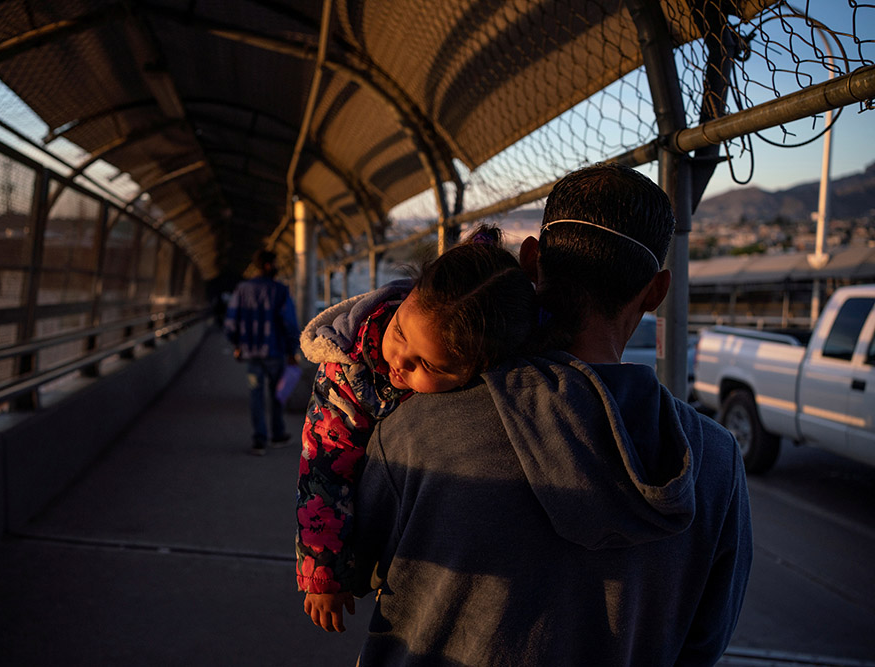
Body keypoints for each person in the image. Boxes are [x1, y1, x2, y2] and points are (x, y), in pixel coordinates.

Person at [350, 163, 753, 665]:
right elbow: (704, 643)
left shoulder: (419, 426)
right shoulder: (713, 464)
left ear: (531, 261)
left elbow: (357, 567)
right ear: (655, 292)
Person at [295, 226, 537, 633]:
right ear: (407, 295)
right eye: (401, 333)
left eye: (430, 366)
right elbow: (322, 469)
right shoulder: (346, 372)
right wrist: (323, 572)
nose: (401, 362)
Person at [224, 249, 300, 456]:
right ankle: (277, 434)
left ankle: (259, 440)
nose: (276, 267)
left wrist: (237, 344)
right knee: (277, 394)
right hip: (275, 353)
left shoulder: (242, 289)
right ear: (268, 265)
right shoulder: (280, 291)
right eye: (274, 263)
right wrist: (292, 350)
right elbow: (290, 323)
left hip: (251, 355)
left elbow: (231, 322)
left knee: (255, 396)